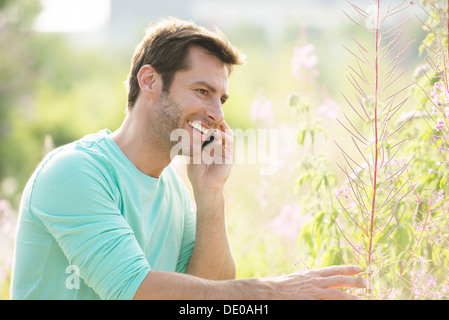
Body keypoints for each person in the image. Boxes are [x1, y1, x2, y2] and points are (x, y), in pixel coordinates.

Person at [10, 17, 366, 300]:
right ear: (149, 81)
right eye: (202, 91)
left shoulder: (177, 194)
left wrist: (210, 194)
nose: (216, 114)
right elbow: (134, 291)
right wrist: (275, 291)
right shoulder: (75, 172)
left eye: (221, 99)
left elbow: (206, 302)